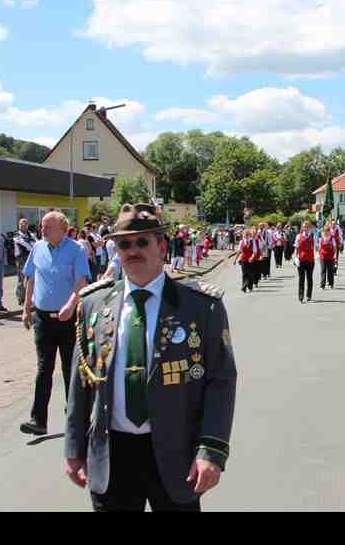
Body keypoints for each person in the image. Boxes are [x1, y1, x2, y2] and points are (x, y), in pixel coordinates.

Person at [64, 203, 237, 512]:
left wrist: (211, 450)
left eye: (142, 241)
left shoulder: (201, 306)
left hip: (177, 452)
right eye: (124, 244)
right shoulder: (94, 303)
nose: (133, 250)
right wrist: (74, 447)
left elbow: (220, 382)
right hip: (112, 455)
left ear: (162, 246)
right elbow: (81, 381)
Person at [20, 211, 91, 436]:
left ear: (63, 229)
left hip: (68, 319)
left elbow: (81, 281)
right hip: (43, 318)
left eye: (47, 227)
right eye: (42, 226)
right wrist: (26, 309)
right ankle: (38, 420)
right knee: (44, 369)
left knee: (70, 368)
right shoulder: (37, 248)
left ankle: (75, 417)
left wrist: (70, 305)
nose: (42, 230)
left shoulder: (76, 249)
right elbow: (31, 278)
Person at [13, 218, 38, 307]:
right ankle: (21, 299)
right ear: (19, 225)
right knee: (22, 279)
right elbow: (24, 244)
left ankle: (30, 298)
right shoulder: (16, 235)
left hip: (31, 257)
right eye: (22, 224)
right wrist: (32, 246)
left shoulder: (31, 234)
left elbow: (36, 242)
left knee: (31, 278)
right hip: (21, 258)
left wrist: (33, 245)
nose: (24, 226)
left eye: (26, 224)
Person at [295, 220, 315, 303]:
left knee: (309, 278)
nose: (305, 228)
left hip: (310, 259)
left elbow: (317, 246)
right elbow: (296, 247)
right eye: (304, 227)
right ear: (302, 228)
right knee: (301, 278)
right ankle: (301, 295)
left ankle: (309, 295)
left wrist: (317, 254)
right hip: (301, 259)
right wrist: (296, 257)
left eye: (307, 227)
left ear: (310, 228)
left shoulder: (313, 236)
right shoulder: (298, 236)